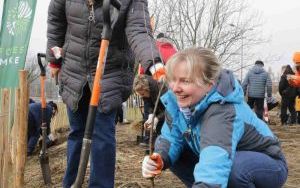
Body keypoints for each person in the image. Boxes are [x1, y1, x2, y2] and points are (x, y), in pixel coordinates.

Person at [46, 0, 164, 187]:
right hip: (74, 70)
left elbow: (139, 30)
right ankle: (70, 183)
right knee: (77, 132)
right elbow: (56, 21)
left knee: (102, 134)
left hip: (110, 72)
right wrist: (53, 60)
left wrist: (153, 62)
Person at [142, 47, 288, 188]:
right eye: (173, 80)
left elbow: (215, 163)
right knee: (174, 153)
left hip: (268, 164)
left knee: (233, 170)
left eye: (185, 81)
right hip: (225, 157)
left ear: (209, 83)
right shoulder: (178, 104)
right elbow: (171, 139)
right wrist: (159, 158)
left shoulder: (223, 111)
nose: (175, 88)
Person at [133, 74, 167, 146]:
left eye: (142, 94)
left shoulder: (162, 90)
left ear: (147, 89)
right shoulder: (147, 91)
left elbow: (169, 110)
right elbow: (148, 101)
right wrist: (151, 115)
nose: (142, 96)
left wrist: (157, 118)